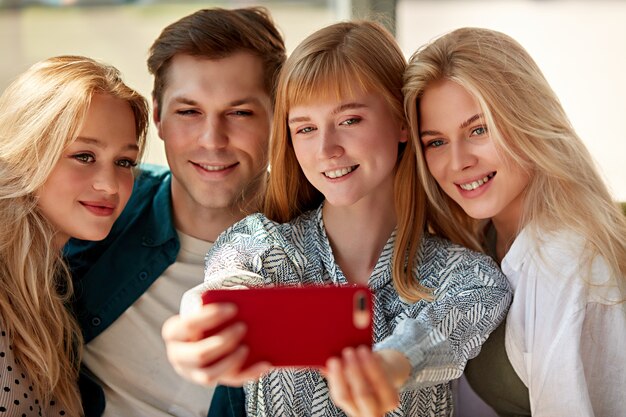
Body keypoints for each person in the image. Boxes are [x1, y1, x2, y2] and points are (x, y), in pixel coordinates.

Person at [162, 20, 512, 417]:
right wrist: (199, 322)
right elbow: (226, 285)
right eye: (306, 128)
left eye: (349, 120)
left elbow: (441, 333)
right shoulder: (262, 245)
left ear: (401, 122)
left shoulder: (468, 276)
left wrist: (390, 365)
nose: (326, 149)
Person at [63, 7, 286, 417]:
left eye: (239, 113)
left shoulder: (323, 252)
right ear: (159, 116)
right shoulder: (97, 206)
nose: (212, 140)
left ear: (279, 117)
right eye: (189, 111)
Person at [404, 27, 626, 416]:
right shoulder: (482, 238)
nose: (458, 162)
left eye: (479, 129)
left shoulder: (565, 261)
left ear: (526, 118)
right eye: (436, 141)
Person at [0, 56, 148, 416]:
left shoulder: (49, 287)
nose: (109, 185)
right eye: (84, 156)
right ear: (26, 152)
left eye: (124, 162)